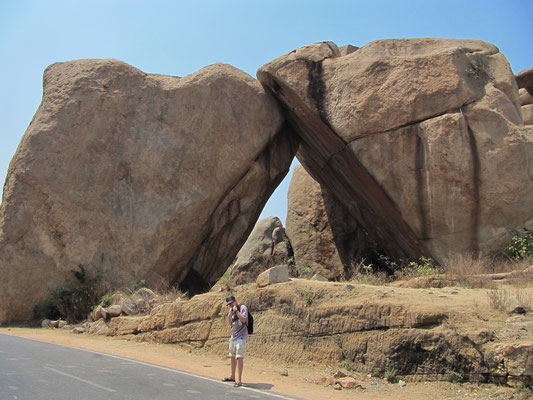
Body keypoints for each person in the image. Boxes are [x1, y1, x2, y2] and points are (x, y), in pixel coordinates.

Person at [222, 295, 248, 387]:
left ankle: (239, 379)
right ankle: (232, 376)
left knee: (239, 357)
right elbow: (231, 325)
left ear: (235, 301)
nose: (230, 305)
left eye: (231, 303)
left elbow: (244, 319)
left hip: (241, 336)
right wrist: (229, 315)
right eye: (229, 304)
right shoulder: (231, 310)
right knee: (232, 356)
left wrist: (236, 311)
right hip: (233, 336)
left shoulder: (242, 307)